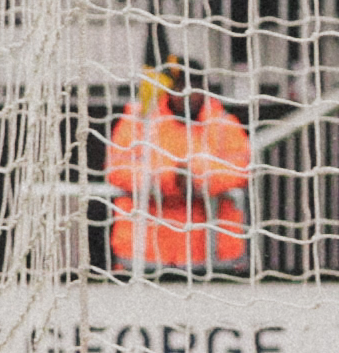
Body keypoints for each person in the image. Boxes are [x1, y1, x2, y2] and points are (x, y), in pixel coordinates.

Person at [105, 44, 249, 276]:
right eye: (181, 85)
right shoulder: (138, 119)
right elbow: (117, 168)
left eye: (194, 85)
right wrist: (170, 177)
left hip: (214, 259)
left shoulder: (223, 123)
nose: (187, 93)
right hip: (144, 255)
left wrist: (195, 176)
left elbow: (240, 168)